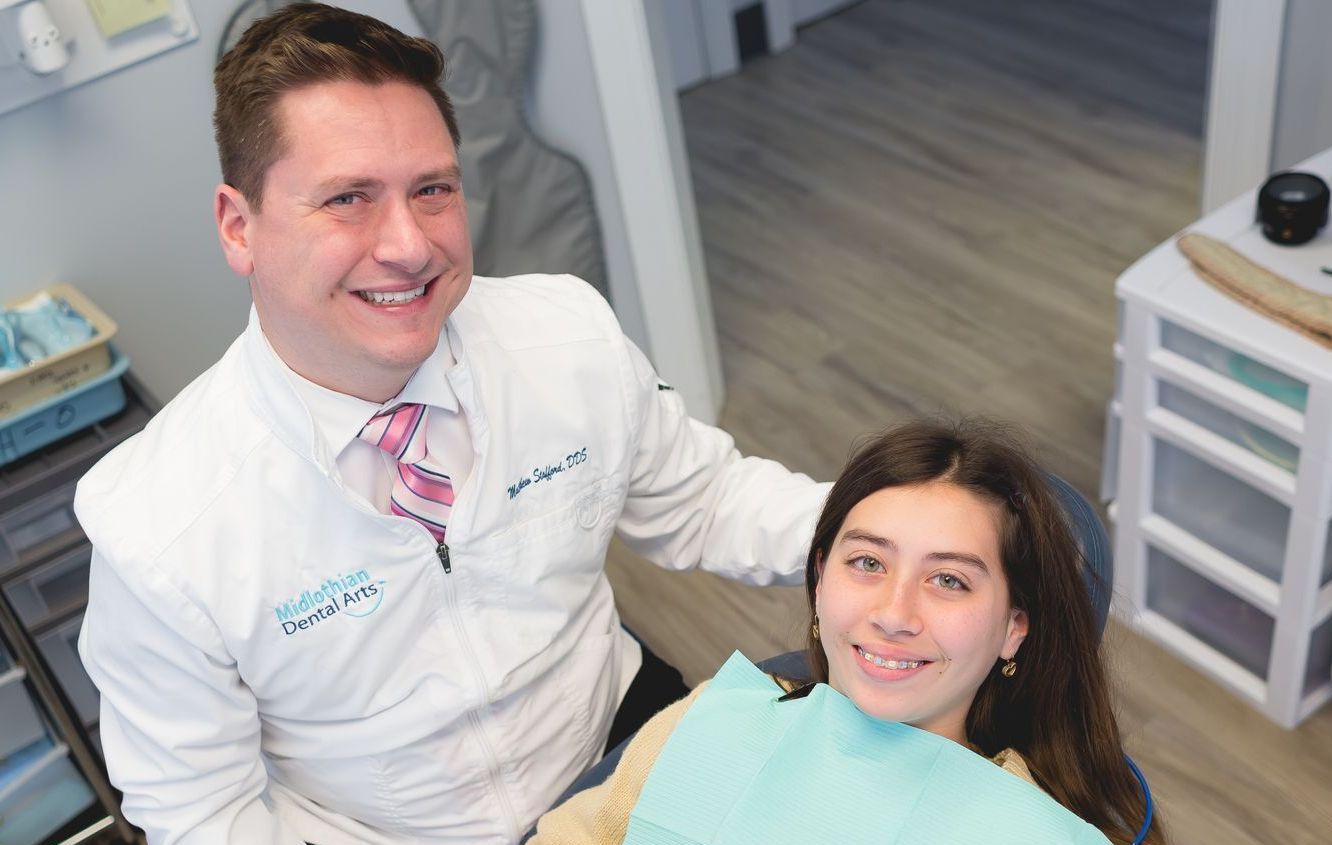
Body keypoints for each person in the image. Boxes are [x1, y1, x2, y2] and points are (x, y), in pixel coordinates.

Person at [73, 5, 827, 844]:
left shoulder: (565, 336)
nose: (408, 245)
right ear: (239, 226)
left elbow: (708, 502)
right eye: (348, 198)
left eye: (431, 189)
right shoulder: (160, 529)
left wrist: (895, 540)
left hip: (620, 755)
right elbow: (203, 814)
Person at [532, 418, 1166, 845]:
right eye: (868, 563)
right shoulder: (707, 721)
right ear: (819, 580)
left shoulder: (1028, 831)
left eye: (949, 580)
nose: (894, 613)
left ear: (1013, 629)